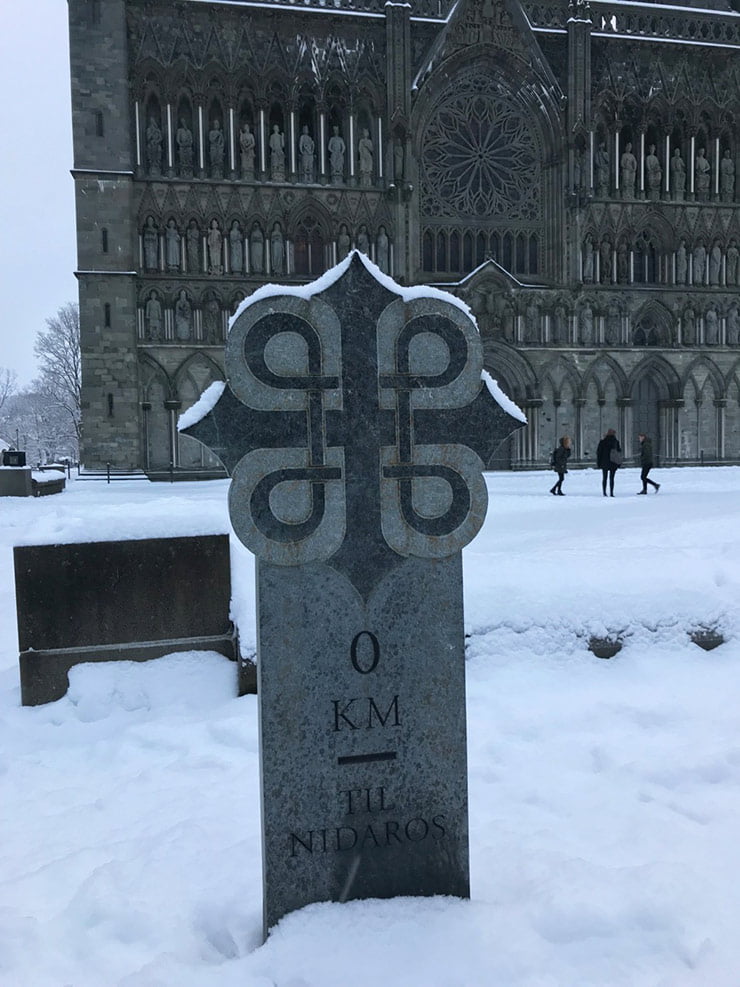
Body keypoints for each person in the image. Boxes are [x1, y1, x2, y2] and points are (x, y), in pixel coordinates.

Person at [596, 428, 621, 497]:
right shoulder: (616, 442)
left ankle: (604, 492)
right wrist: (619, 463)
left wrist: (599, 463)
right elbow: (619, 452)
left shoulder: (603, 442)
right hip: (613, 462)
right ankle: (611, 492)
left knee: (604, 478)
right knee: (612, 478)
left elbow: (599, 453)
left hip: (604, 462)